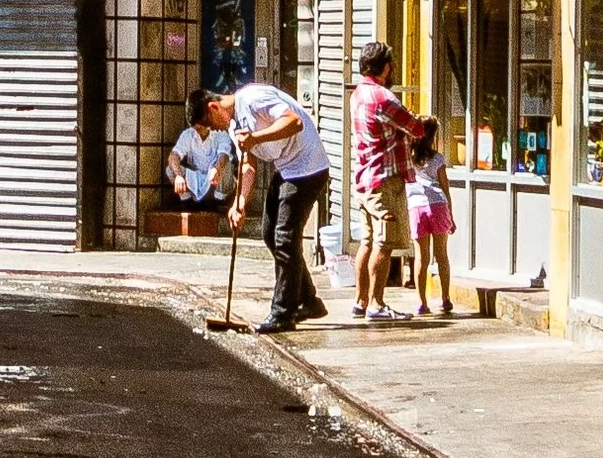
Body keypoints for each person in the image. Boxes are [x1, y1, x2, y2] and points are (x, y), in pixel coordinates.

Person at [206, 74, 332, 334]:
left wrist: (255, 137)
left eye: (209, 123)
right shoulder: (233, 124)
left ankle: (283, 313)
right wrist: (239, 203)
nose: (215, 129)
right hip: (287, 167)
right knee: (270, 233)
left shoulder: (253, 98)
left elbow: (293, 122)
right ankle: (307, 300)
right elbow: (248, 163)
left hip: (308, 167)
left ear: (213, 107)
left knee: (285, 238)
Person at [349, 42, 417, 321]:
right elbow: (414, 126)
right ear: (386, 67)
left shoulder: (358, 95)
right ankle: (377, 304)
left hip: (364, 179)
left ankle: (360, 301)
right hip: (384, 180)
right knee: (384, 243)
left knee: (366, 241)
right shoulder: (383, 98)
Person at [406, 116, 455, 316]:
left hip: (416, 207)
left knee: (421, 257)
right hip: (438, 206)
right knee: (441, 255)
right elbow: (445, 187)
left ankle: (421, 302)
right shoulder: (438, 159)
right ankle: (445, 299)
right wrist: (451, 215)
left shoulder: (409, 158)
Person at [167, 87, 236, 213]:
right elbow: (174, 155)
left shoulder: (220, 132)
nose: (199, 129)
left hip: (216, 180)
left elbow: (224, 154)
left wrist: (216, 168)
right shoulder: (189, 134)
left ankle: (218, 201)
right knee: (170, 168)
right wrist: (178, 176)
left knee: (225, 164)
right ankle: (187, 201)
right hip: (198, 178)